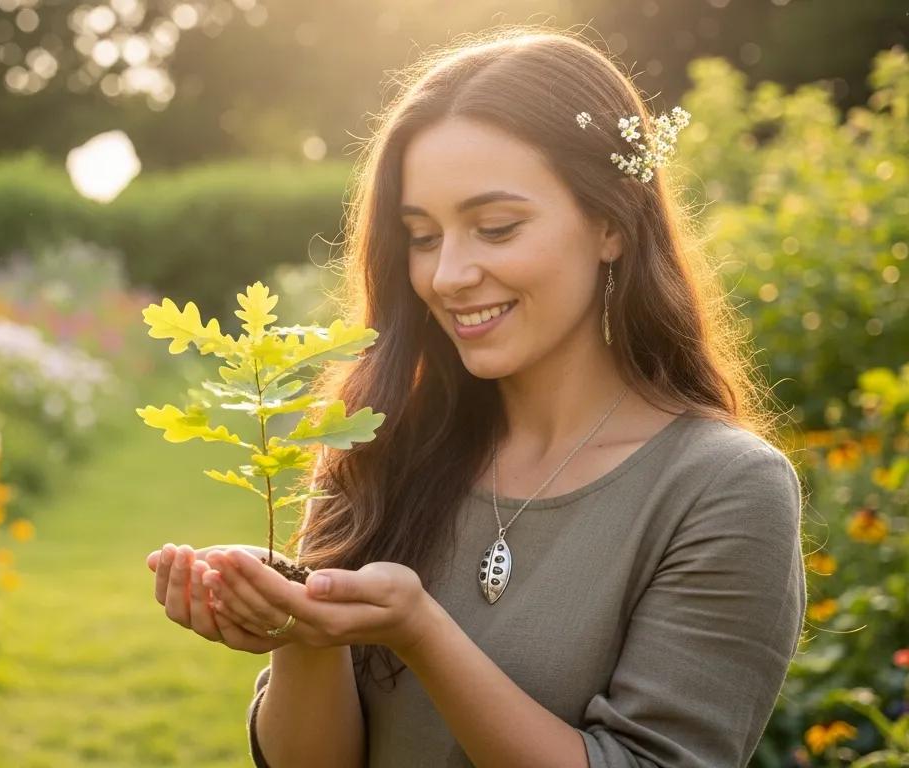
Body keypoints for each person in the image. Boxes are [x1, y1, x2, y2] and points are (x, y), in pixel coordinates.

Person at [145, 24, 806, 768]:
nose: (447, 274)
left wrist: (422, 633)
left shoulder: (721, 489)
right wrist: (301, 628)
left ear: (611, 225)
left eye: (495, 227)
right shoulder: (377, 442)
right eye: (422, 236)